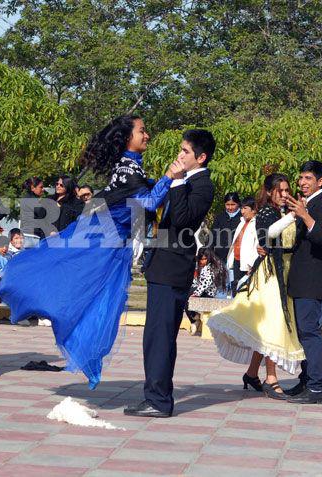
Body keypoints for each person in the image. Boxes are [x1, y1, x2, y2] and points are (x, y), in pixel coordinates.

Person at [0, 115, 183, 389]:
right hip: (103, 240)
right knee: (88, 293)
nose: (147, 135)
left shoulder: (130, 168)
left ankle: (76, 339)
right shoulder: (129, 170)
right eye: (142, 131)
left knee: (95, 298)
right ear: (127, 137)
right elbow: (148, 203)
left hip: (110, 241)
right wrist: (170, 177)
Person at [125, 128, 215, 419]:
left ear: (200, 157)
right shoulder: (185, 182)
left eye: (186, 152)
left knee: (160, 335)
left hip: (173, 267)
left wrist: (175, 184)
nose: (179, 155)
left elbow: (185, 218)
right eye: (180, 150)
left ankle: (159, 400)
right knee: (156, 335)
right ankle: (156, 394)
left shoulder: (202, 184)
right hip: (162, 264)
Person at [207, 173, 304, 400]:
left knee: (267, 326)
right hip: (269, 274)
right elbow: (267, 236)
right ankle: (271, 378)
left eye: (287, 190)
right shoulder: (267, 213)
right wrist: (292, 215)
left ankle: (252, 374)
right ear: (269, 192)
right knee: (274, 323)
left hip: (284, 272)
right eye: (280, 190)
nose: (284, 194)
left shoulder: (282, 212)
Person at [283, 160, 322, 404]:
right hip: (299, 277)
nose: (302, 183)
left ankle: (317, 388)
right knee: (302, 333)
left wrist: (304, 215)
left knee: (310, 333)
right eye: (301, 178)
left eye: (307, 178)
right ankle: (306, 381)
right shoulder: (306, 203)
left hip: (312, 279)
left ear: (320, 181)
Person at [186, 248, 227, 335]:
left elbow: (205, 283)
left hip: (208, 293)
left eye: (204, 259)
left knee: (188, 294)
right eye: (201, 259)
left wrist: (196, 293)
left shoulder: (211, 267)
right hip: (201, 290)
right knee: (186, 293)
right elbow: (196, 281)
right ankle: (194, 318)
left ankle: (195, 318)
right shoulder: (199, 266)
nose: (202, 261)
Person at [227, 196, 259, 292]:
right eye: (242, 208)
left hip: (248, 264)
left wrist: (253, 264)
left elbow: (257, 245)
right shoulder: (242, 222)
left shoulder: (257, 223)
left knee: (246, 291)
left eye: (245, 208)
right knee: (236, 289)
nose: (242, 211)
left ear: (254, 210)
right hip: (238, 261)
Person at [210, 192, 242, 264]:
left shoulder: (242, 218)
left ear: (238, 204)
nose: (230, 207)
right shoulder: (220, 217)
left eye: (233, 204)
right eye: (227, 205)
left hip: (236, 258)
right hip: (220, 257)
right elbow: (212, 236)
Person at [19, 177, 47, 248]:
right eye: (41, 187)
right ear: (32, 188)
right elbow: (42, 213)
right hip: (30, 237)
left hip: (30, 235)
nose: (43, 189)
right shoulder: (30, 199)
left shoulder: (30, 198)